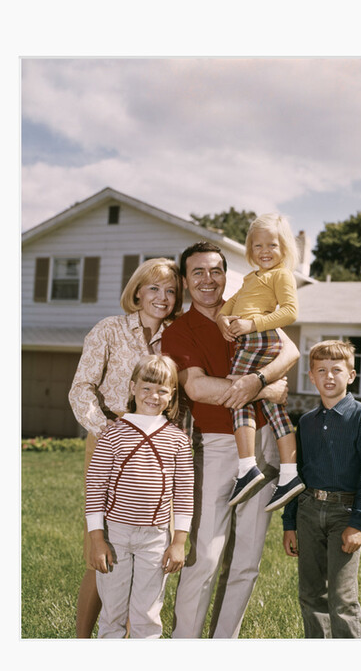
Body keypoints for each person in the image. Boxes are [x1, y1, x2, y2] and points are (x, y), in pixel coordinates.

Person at [161, 241, 300, 639]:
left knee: (246, 561)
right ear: (186, 282)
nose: (208, 280)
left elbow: (288, 350)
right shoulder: (179, 331)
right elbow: (200, 388)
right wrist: (265, 389)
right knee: (204, 557)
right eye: (198, 273)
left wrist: (258, 379)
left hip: (266, 444)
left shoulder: (245, 312)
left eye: (215, 271)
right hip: (218, 448)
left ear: (226, 275)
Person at [68, 257, 183, 638]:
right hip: (110, 440)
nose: (162, 298)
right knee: (101, 552)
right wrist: (107, 431)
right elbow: (81, 387)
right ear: (136, 291)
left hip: (158, 448)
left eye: (170, 291)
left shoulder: (178, 336)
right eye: (153, 288)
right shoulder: (109, 330)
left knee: (149, 551)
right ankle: (86, 640)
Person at [85, 354, 194, 638]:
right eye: (146, 387)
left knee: (147, 615)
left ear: (171, 397)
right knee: (112, 615)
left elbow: (184, 494)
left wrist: (179, 541)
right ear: (133, 387)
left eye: (162, 390)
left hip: (156, 538)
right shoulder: (112, 435)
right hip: (115, 535)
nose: (153, 395)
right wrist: (97, 539)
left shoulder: (178, 439)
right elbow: (95, 489)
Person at [281, 339, 361, 638]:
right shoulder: (308, 422)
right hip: (309, 511)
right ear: (311, 377)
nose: (329, 377)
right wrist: (290, 523)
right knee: (311, 594)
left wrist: (358, 523)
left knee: (342, 598)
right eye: (321, 370)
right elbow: (298, 475)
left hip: (345, 513)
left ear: (351, 375)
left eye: (336, 370)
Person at [215, 213, 304, 512]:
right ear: (249, 249)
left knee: (238, 394)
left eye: (272, 245)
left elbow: (290, 312)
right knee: (273, 408)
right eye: (257, 246)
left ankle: (247, 468)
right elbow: (227, 307)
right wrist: (224, 321)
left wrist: (252, 325)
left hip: (259, 339)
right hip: (254, 339)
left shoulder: (282, 274)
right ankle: (290, 475)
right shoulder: (251, 278)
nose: (264, 251)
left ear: (284, 248)